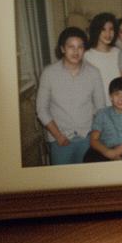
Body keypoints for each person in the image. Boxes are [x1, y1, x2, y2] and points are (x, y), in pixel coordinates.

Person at [36, 27, 105, 165]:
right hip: (60, 141)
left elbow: (101, 108)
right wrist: (58, 136)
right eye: (71, 47)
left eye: (80, 47)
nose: (76, 51)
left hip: (87, 138)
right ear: (62, 49)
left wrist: (95, 136)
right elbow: (41, 110)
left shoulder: (94, 73)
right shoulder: (49, 73)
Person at [84, 12, 120, 101]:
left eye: (111, 29)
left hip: (119, 104)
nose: (108, 33)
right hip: (97, 106)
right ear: (96, 31)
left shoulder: (119, 53)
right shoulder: (87, 56)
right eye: (103, 29)